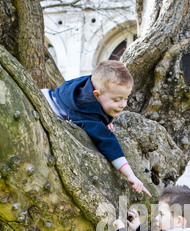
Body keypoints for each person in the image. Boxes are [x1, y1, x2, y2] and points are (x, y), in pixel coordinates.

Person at [42, 60, 151, 198]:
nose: (123, 104)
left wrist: (103, 119)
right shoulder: (85, 109)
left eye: (125, 98)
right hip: (46, 106)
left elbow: (103, 107)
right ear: (97, 95)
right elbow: (107, 142)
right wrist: (130, 175)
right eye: (117, 100)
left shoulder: (88, 84)